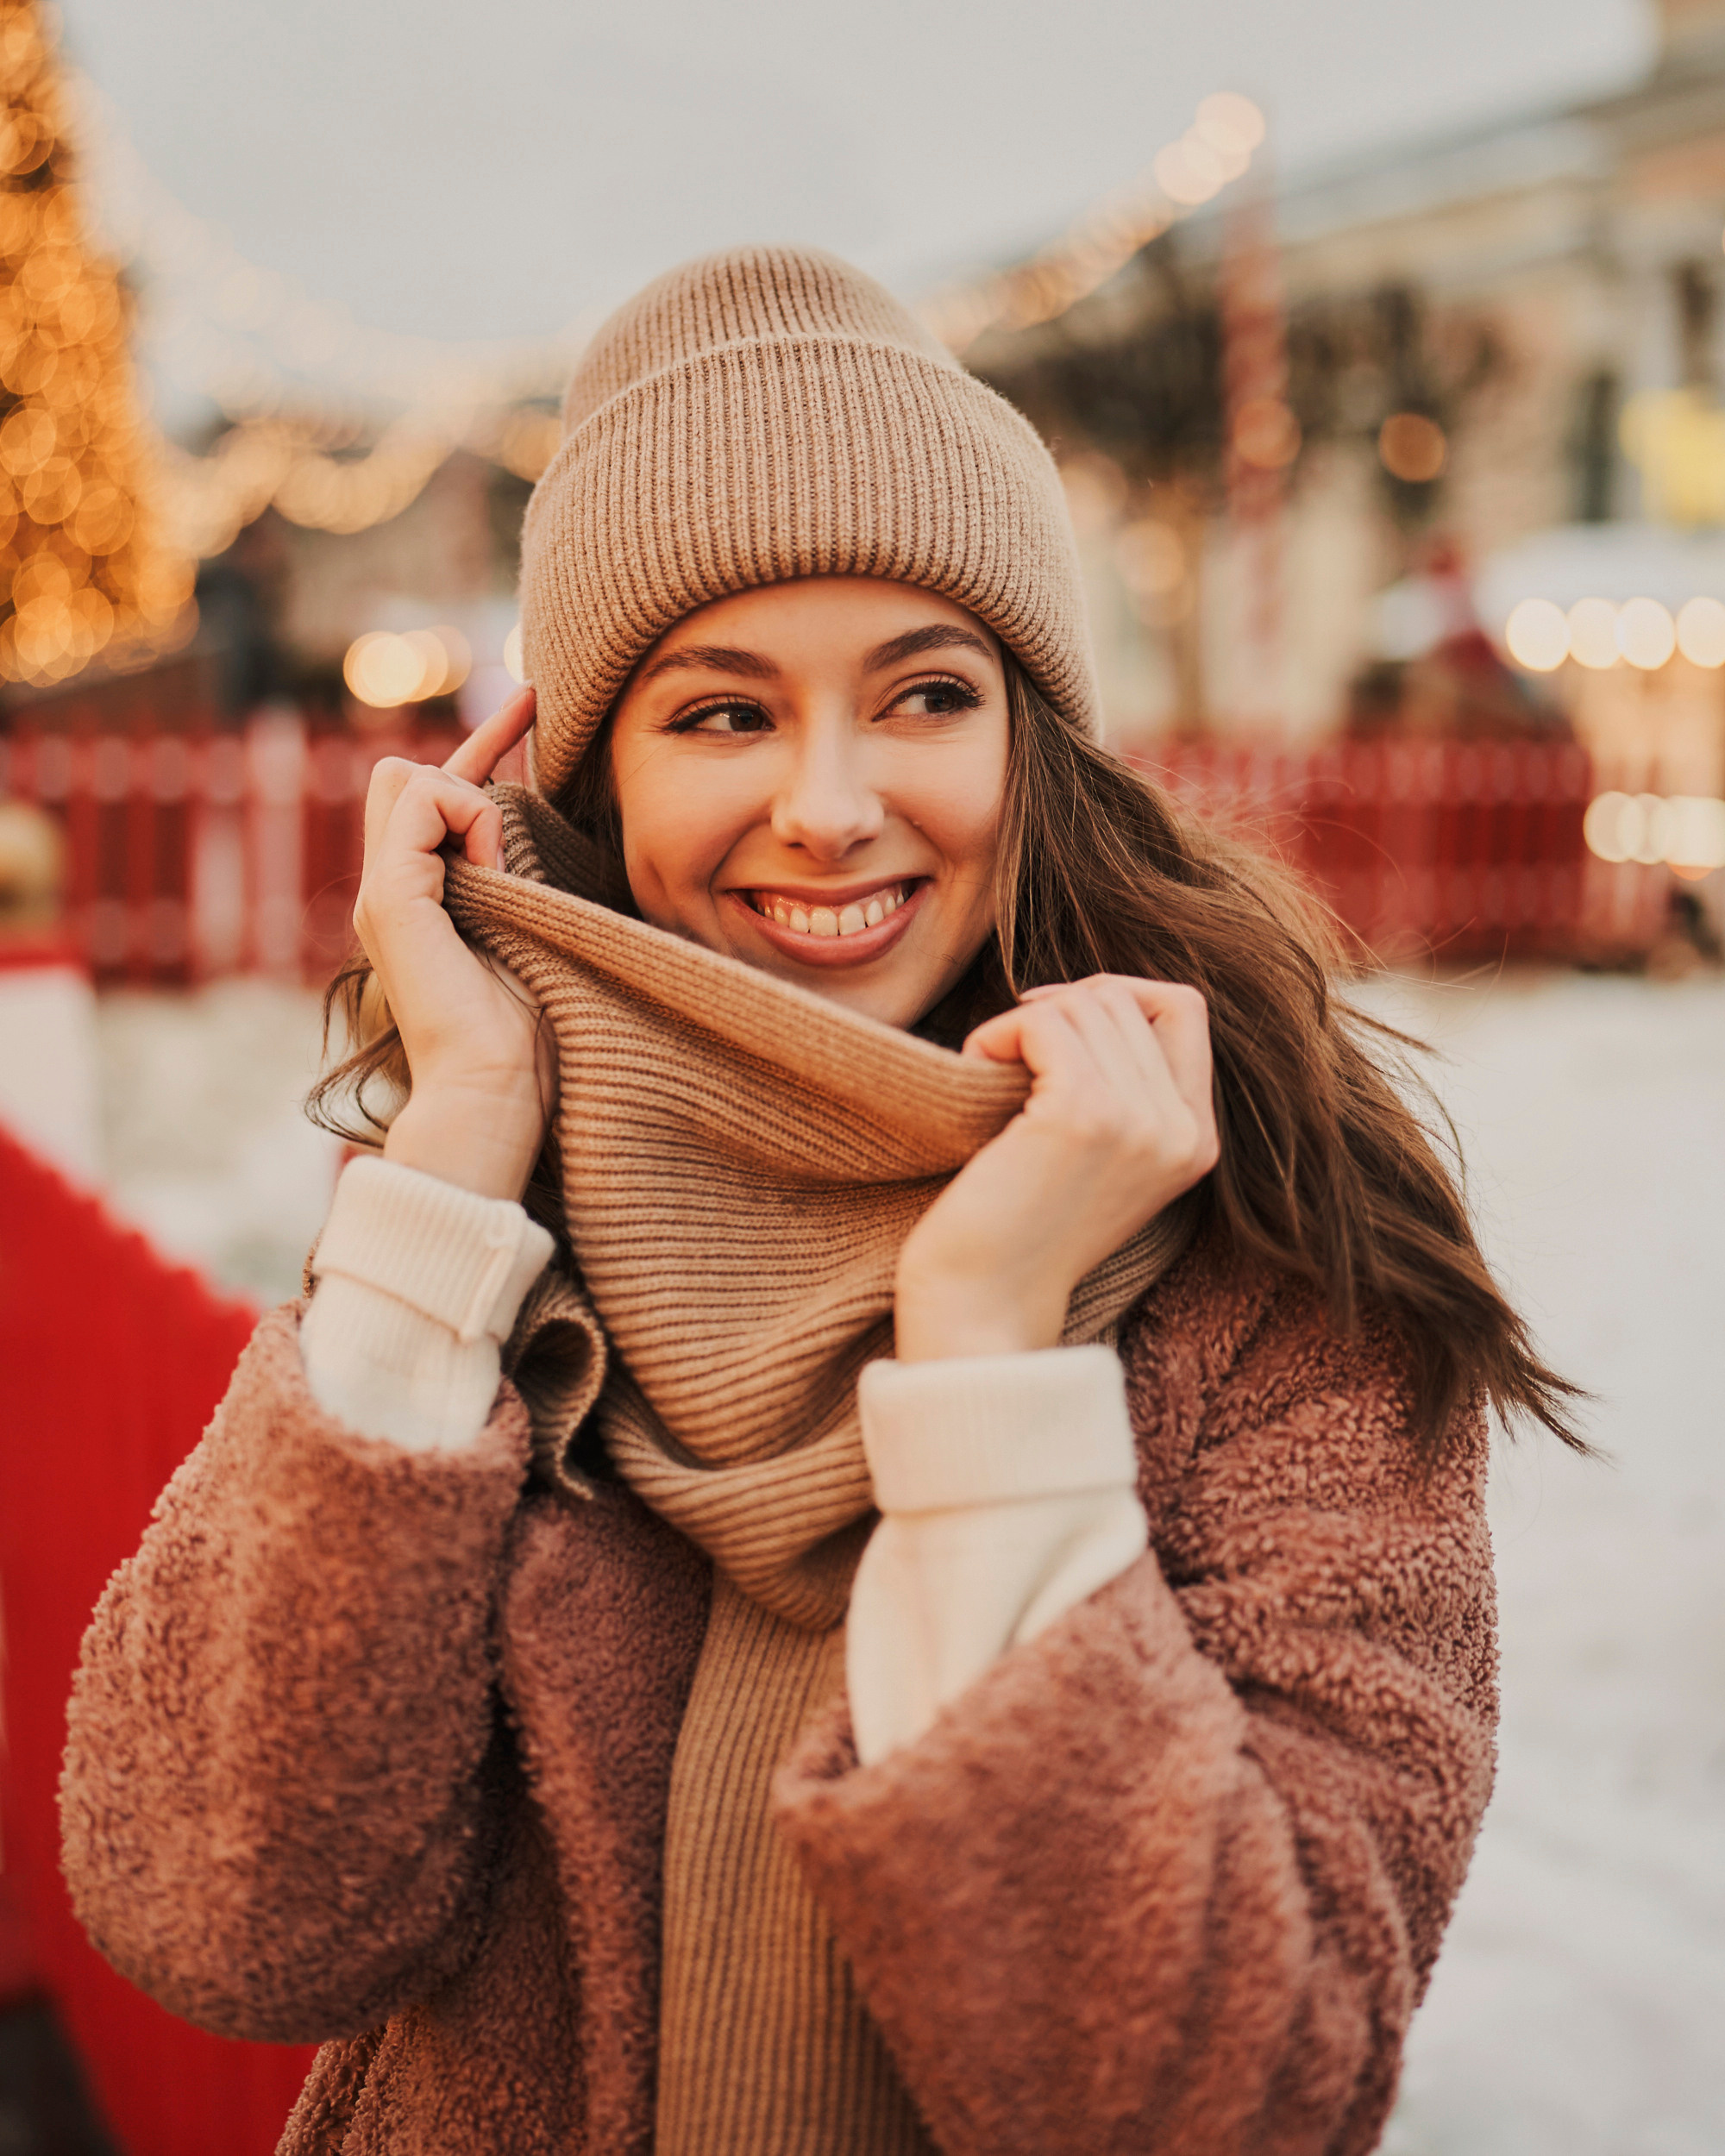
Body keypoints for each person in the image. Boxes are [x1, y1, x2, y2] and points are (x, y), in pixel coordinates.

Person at [60, 248, 1579, 2156]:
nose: (833, 802)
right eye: (722, 714)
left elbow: (1224, 2096)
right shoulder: (483, 1243)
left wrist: (985, 1353)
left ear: (1030, 739)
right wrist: (453, 1143)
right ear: (589, 766)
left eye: (922, 694)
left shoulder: (1280, 1270)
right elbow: (222, 1912)